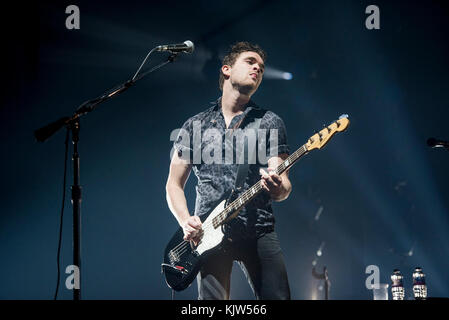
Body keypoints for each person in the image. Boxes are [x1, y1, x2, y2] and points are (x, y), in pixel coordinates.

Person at [165, 41, 292, 300]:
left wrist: (278, 187)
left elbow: (284, 185)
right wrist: (185, 221)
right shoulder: (195, 125)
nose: (257, 68)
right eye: (250, 62)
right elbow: (173, 184)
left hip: (259, 230)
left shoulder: (269, 121)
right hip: (208, 234)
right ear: (226, 69)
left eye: (262, 67)